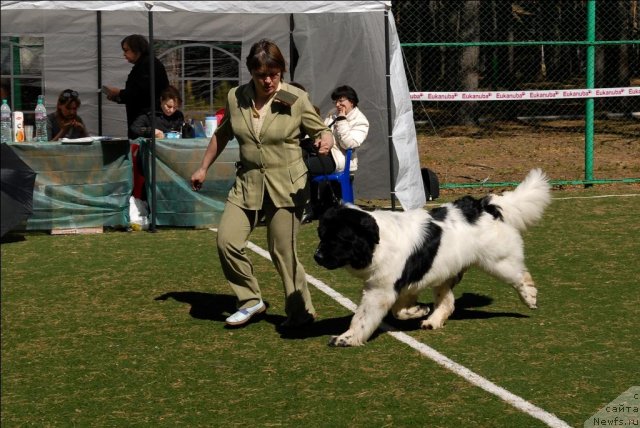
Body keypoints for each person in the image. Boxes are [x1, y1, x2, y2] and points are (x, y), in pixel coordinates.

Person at [190, 39, 333, 328]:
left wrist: (325, 140)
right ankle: (250, 300)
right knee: (227, 241)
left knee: (283, 252)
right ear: (251, 73)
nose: (268, 81)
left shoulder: (296, 98)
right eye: (261, 75)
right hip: (247, 183)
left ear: (281, 71)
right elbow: (222, 134)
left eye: (274, 74)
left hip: (287, 185)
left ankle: (300, 313)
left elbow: (321, 130)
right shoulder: (236, 97)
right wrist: (203, 168)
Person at [302, 85, 369, 223]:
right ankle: (311, 206)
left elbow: (349, 144)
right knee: (298, 154)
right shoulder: (332, 112)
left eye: (341, 101)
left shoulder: (361, 121)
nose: (338, 105)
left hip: (338, 160)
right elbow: (323, 130)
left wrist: (342, 120)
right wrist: (318, 140)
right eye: (336, 101)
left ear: (352, 101)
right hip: (323, 153)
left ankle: (309, 207)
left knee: (302, 167)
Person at [103, 34, 169, 139]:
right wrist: (118, 98)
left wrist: (119, 92)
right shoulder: (143, 64)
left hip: (147, 118)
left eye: (126, 50)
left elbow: (141, 92)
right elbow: (137, 94)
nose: (124, 54)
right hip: (142, 117)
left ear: (137, 49)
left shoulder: (148, 64)